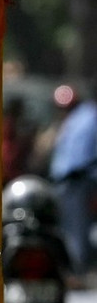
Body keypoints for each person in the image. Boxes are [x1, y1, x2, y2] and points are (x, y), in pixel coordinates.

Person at [49, 83, 97, 282]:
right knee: (66, 228)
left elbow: (83, 154)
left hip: (80, 180)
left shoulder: (89, 117)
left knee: (77, 228)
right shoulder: (69, 122)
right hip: (64, 183)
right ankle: (72, 269)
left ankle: (78, 270)